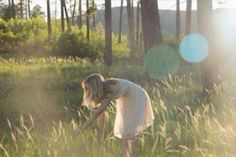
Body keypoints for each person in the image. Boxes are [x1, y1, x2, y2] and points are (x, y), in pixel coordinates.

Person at [78, 73, 155, 157]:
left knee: (129, 133)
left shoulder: (111, 89)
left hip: (137, 97)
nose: (86, 92)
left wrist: (81, 129)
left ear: (94, 87)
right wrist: (99, 133)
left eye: (87, 88)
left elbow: (98, 112)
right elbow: (101, 113)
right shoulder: (104, 89)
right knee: (125, 133)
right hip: (127, 99)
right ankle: (127, 155)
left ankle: (132, 155)